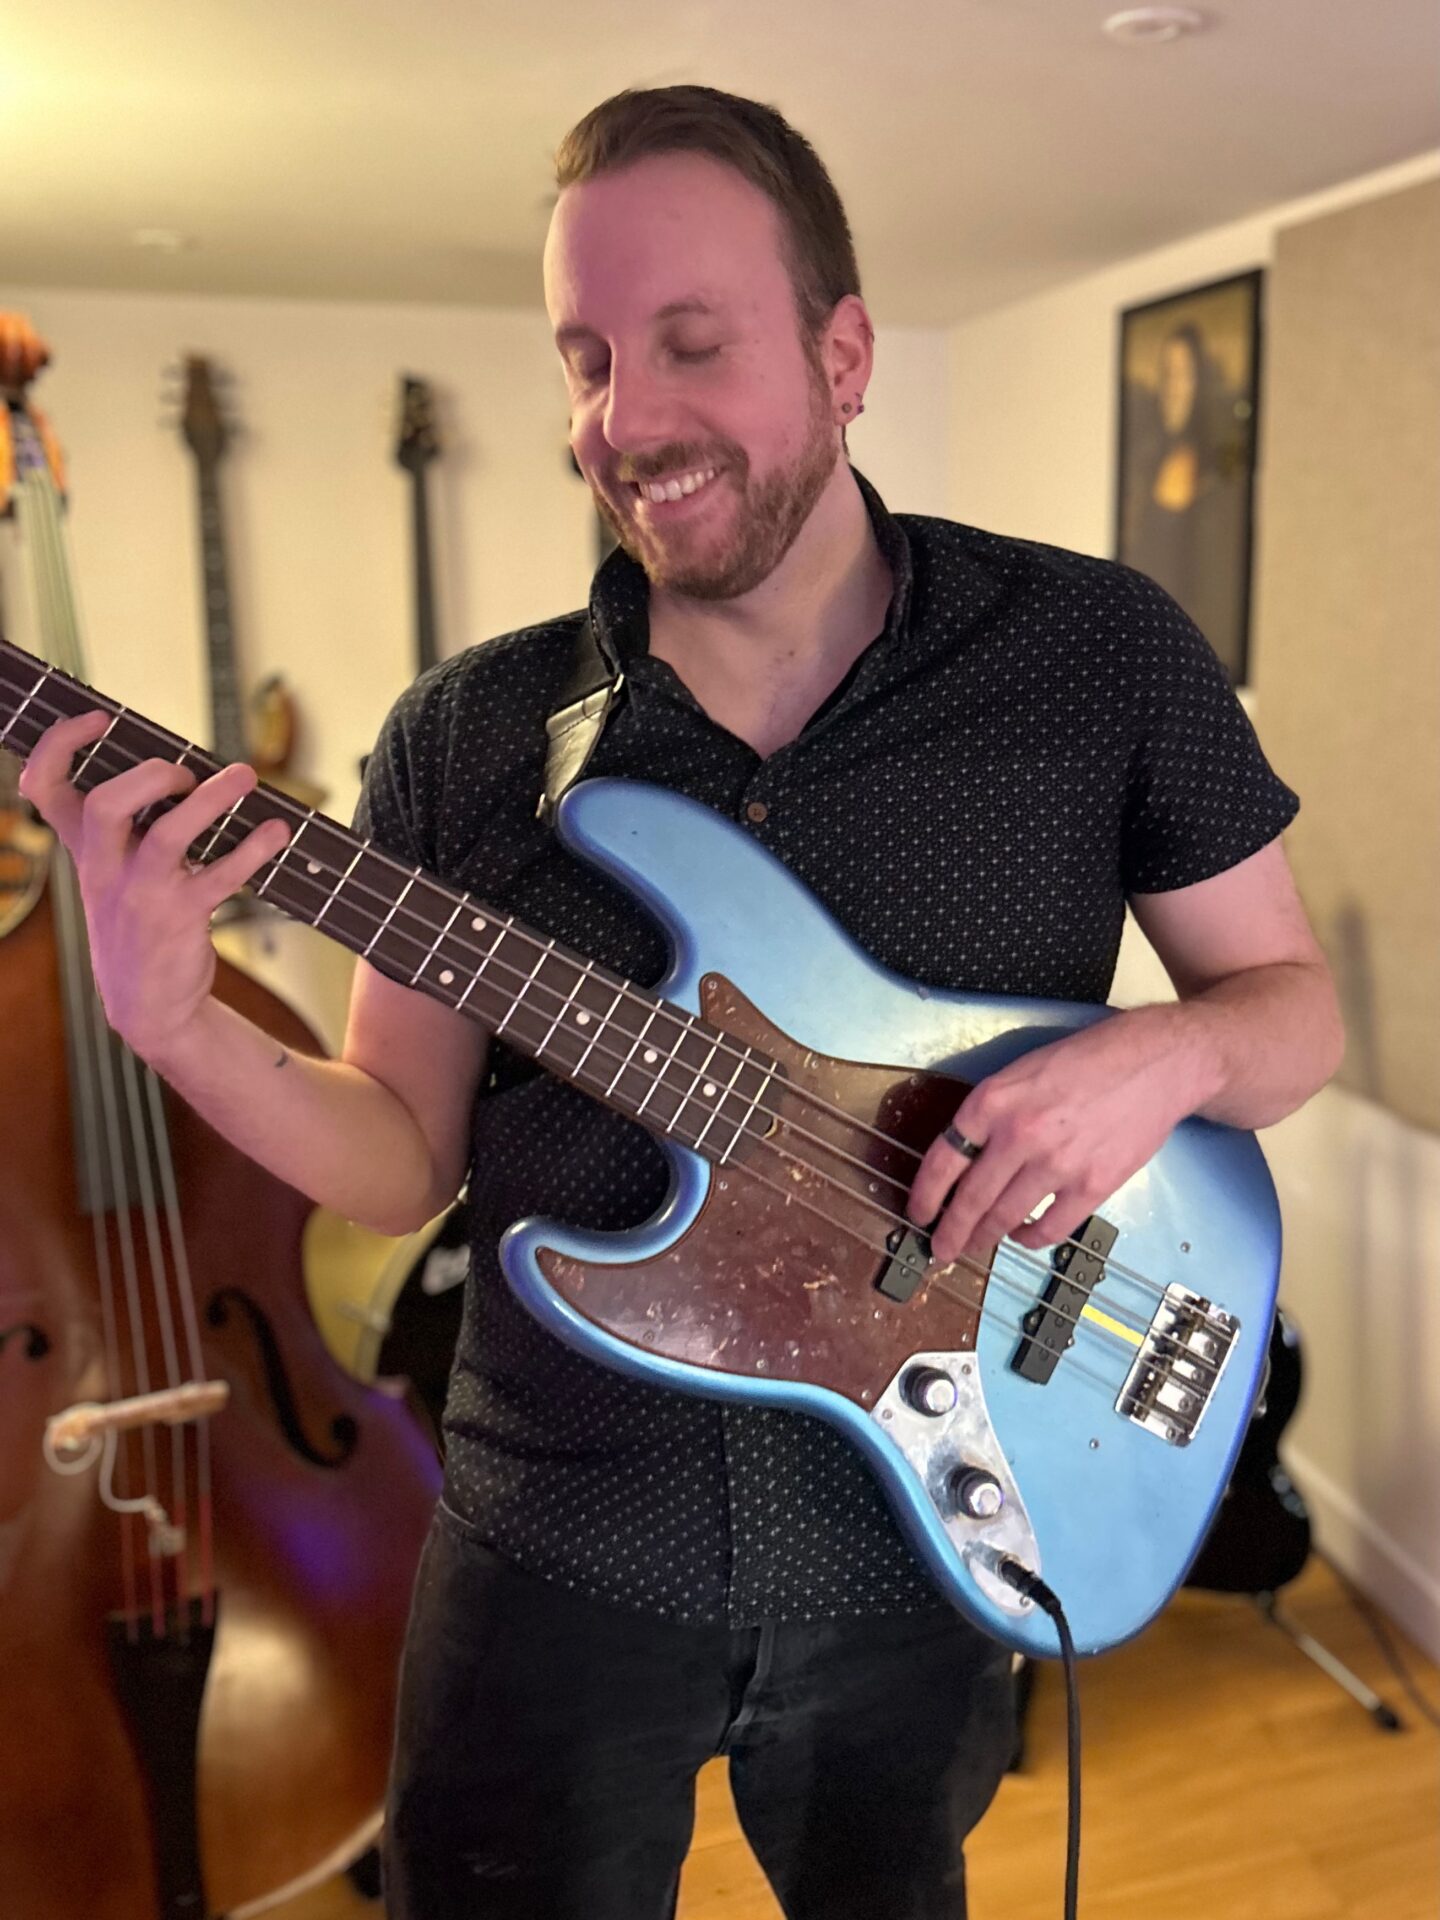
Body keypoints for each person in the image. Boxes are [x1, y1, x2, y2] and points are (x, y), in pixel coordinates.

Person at [22, 84, 1343, 1920]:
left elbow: (1294, 1016)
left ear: (847, 348)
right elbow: (399, 1160)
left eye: (691, 344)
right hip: (555, 1545)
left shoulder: (1098, 653)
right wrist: (175, 1026)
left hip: (933, 1530)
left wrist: (1168, 1054)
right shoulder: (470, 738)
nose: (625, 423)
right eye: (582, 361)